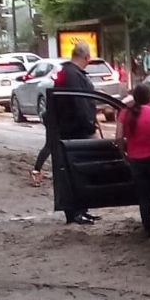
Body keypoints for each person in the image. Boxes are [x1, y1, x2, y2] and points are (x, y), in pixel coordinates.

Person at [54, 42, 100, 225]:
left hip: (75, 130)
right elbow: (79, 102)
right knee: (74, 172)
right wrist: (89, 126)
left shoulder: (72, 73)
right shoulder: (72, 75)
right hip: (74, 131)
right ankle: (74, 212)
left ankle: (82, 209)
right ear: (86, 57)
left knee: (80, 171)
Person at [116, 83, 150, 238]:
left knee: (143, 195)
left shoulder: (124, 113)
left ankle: (147, 228)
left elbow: (118, 137)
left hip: (135, 159)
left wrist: (123, 153)